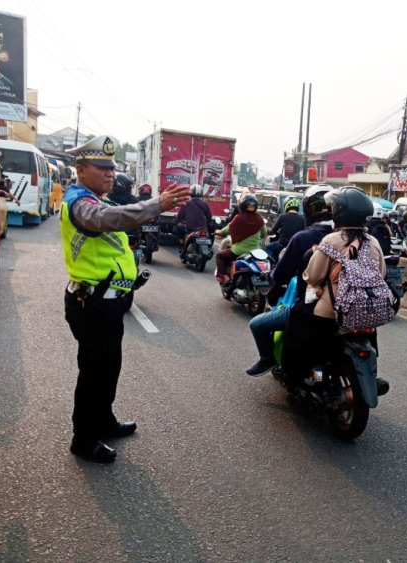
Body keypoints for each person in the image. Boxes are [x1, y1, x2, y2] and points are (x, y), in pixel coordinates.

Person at [61, 134, 190, 463]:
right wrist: (156, 204)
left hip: (109, 302)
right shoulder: (80, 202)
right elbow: (106, 221)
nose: (109, 173)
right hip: (91, 304)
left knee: (108, 368)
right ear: (80, 169)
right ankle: (84, 439)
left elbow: (117, 220)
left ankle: (103, 421)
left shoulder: (97, 199)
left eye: (111, 167)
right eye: (101, 167)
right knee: (93, 373)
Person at [281, 186, 386, 384]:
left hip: (330, 313)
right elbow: (381, 274)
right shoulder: (373, 242)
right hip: (365, 310)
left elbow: (313, 277)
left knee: (296, 319)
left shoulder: (331, 239)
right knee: (369, 330)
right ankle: (370, 376)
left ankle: (307, 375)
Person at [245, 186, 333, 376]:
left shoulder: (304, 238)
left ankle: (268, 358)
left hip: (312, 306)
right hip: (347, 307)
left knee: (257, 324)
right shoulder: (355, 240)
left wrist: (270, 278)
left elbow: (281, 274)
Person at [214, 193, 267, 283]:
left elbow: (227, 230)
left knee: (219, 256)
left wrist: (219, 232)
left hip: (238, 251)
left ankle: (223, 276)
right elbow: (264, 234)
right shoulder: (259, 219)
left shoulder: (238, 218)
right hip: (255, 252)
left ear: (242, 206)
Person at [177, 184, 213, 258]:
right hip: (203, 228)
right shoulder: (205, 203)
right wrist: (208, 223)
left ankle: (181, 243)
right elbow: (209, 216)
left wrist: (179, 219)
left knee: (179, 226)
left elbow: (180, 215)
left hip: (190, 228)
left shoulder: (186, 202)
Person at [266, 196, 305, 261]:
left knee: (268, 248)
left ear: (286, 204)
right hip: (295, 246)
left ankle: (273, 265)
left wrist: (267, 230)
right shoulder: (302, 219)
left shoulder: (282, 217)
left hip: (282, 244)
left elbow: (272, 231)